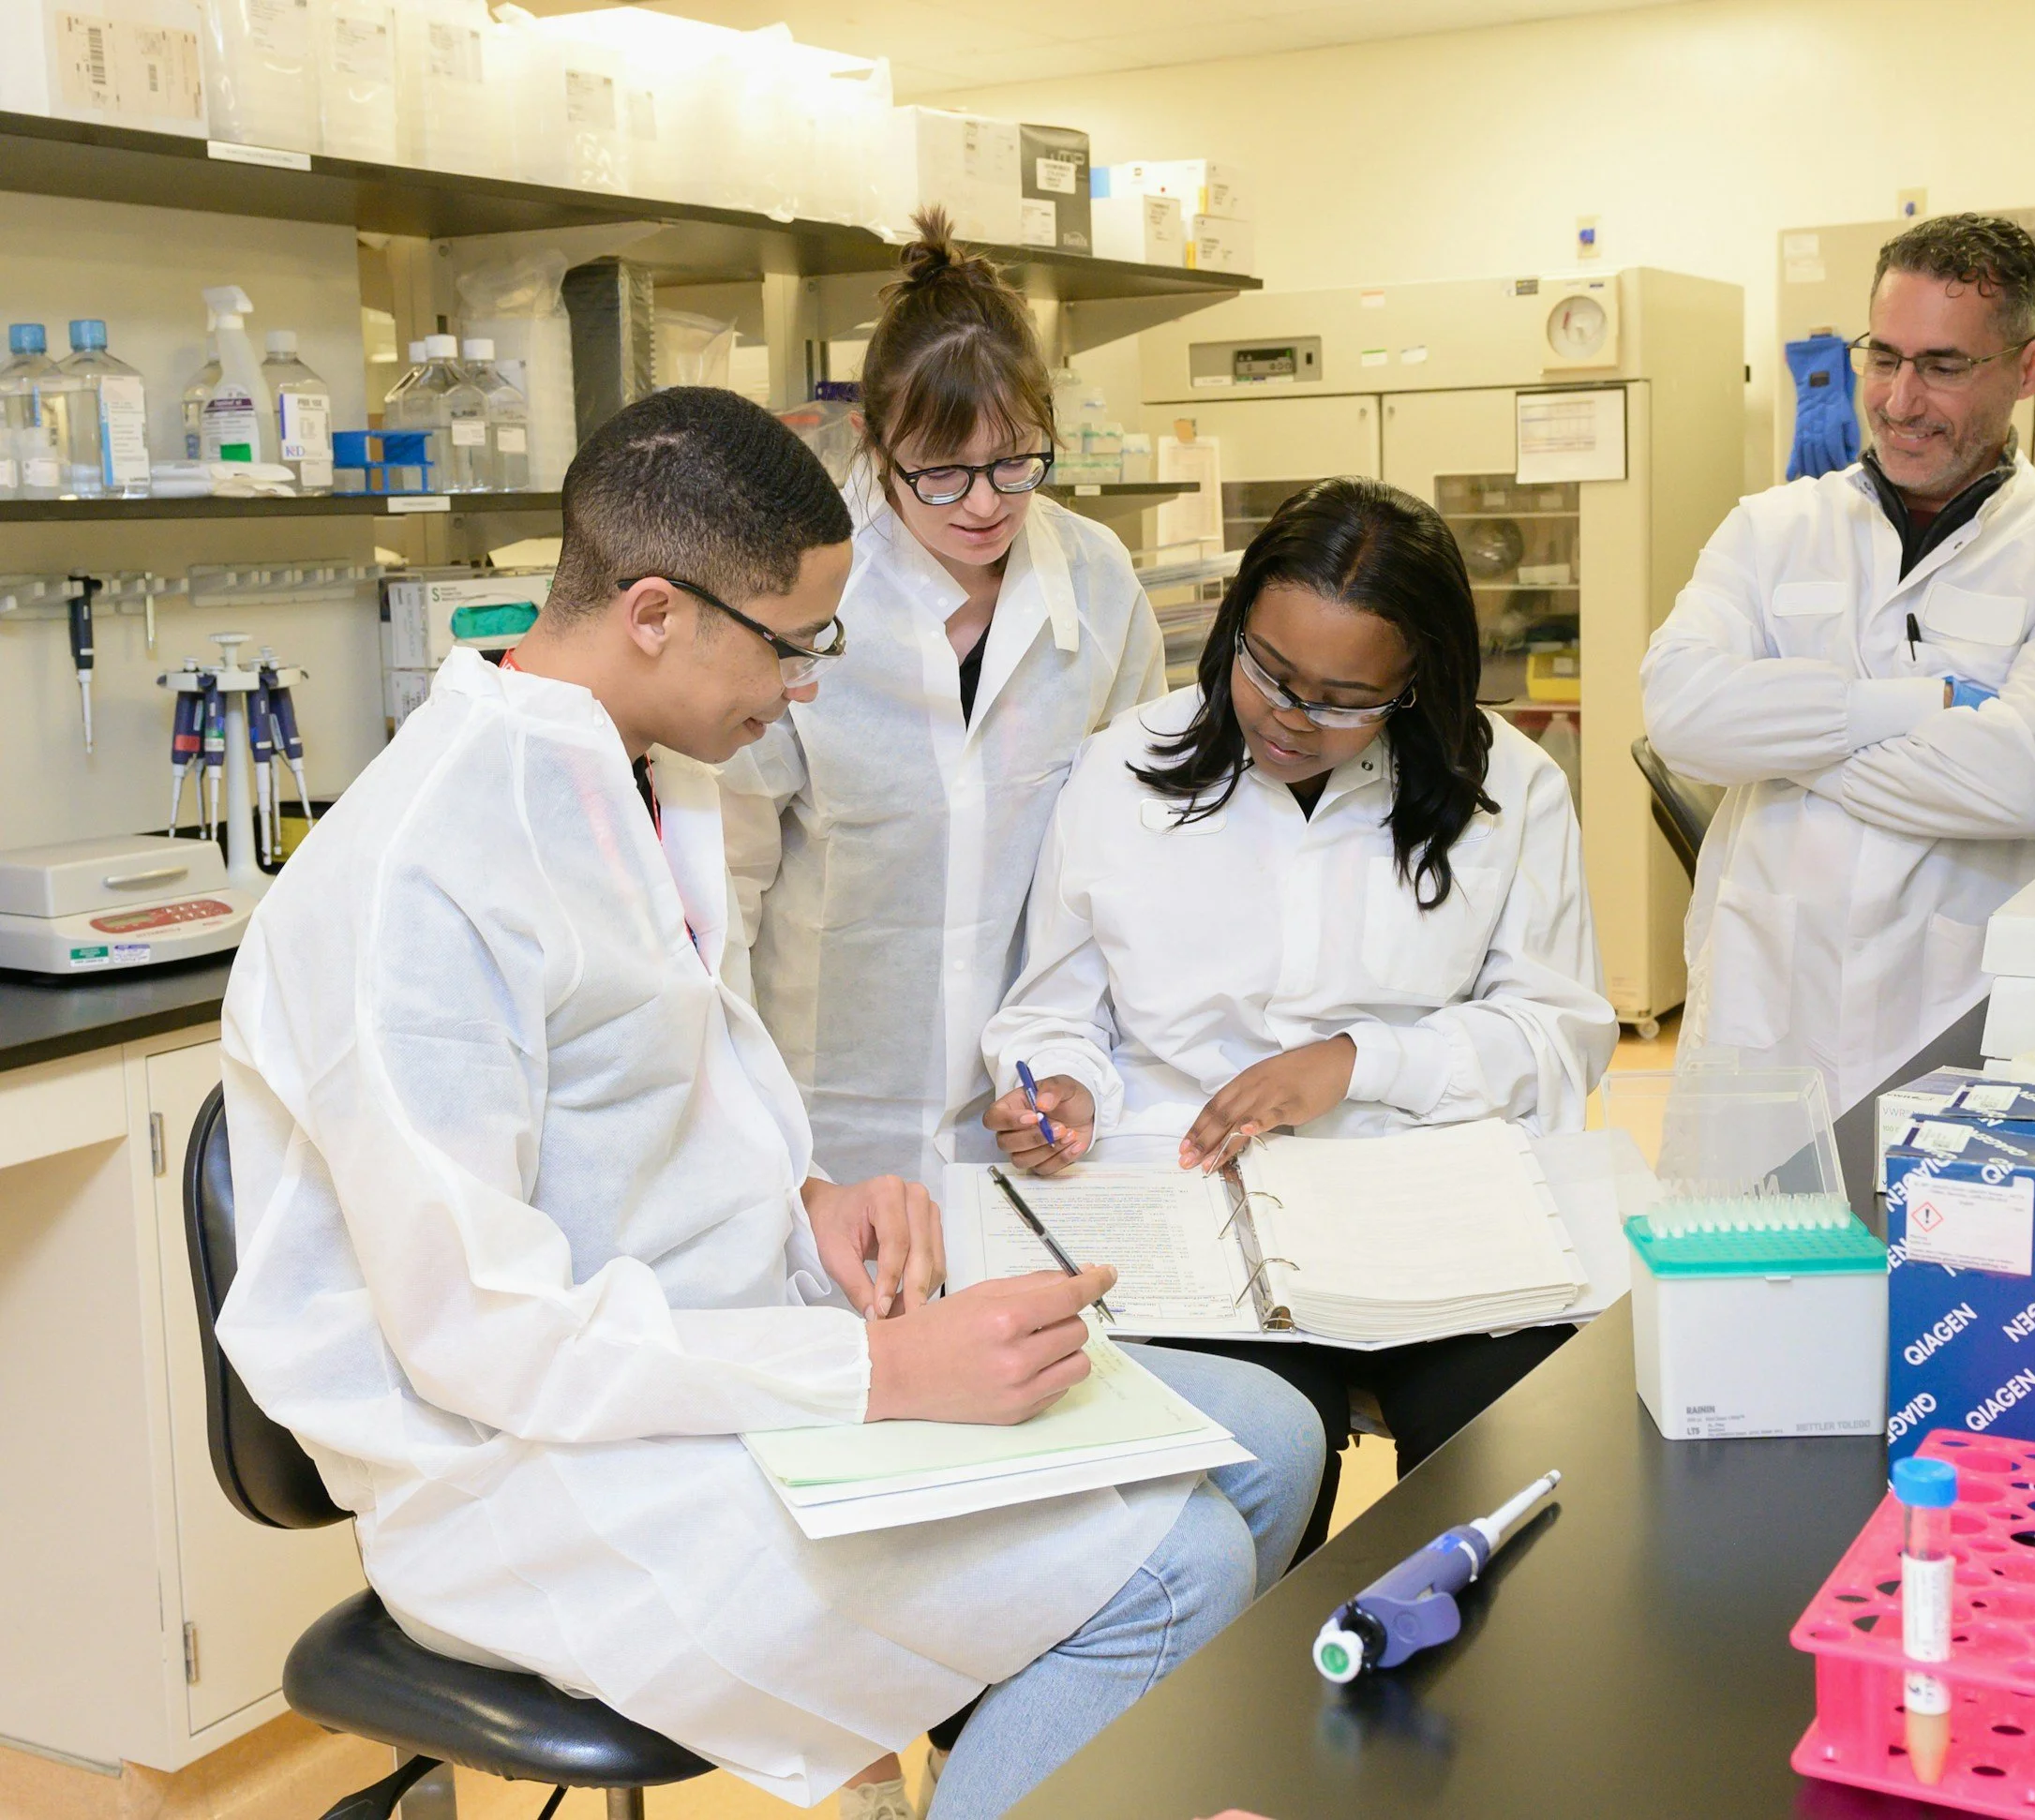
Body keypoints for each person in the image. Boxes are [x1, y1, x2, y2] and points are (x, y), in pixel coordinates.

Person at [213, 388, 1321, 1820]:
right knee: (1175, 1561)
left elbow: (647, 1117)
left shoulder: (638, 780)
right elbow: (482, 1332)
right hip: (534, 1474)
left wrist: (812, 1205)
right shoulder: (419, 879)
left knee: (1273, 1440)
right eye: (793, 645)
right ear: (658, 612)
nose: (806, 686)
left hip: (713, 1360)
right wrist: (885, 1377)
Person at [979, 477, 1618, 1557]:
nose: (1288, 716)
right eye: (1267, 671)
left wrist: (1359, 1061)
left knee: (1516, 1472)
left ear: (1417, 685)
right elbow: (1052, 1009)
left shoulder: (1510, 786)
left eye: (1342, 698)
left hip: (1422, 1214)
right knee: (1242, 1494)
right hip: (1195, 1221)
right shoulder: (1122, 769)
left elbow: (1557, 1034)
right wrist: (1058, 1085)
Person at [1642, 213, 2035, 1116]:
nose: (1899, 399)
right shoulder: (1770, 529)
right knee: (1757, 1250)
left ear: (2030, 369)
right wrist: (1917, 710)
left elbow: (2025, 782)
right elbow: (1682, 719)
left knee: (1963, 1250)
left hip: (1970, 1011)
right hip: (1772, 1007)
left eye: (1944, 366)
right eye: (1883, 357)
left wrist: (1781, 743)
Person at [722, 208, 1164, 1196]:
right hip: (821, 1118)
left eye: (1015, 462)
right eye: (942, 471)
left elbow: (1126, 852)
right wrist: (737, 1123)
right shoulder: (800, 592)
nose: (982, 503)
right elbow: (725, 885)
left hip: (1025, 1106)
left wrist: (1076, 1062)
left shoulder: (1094, 584)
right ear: (877, 443)